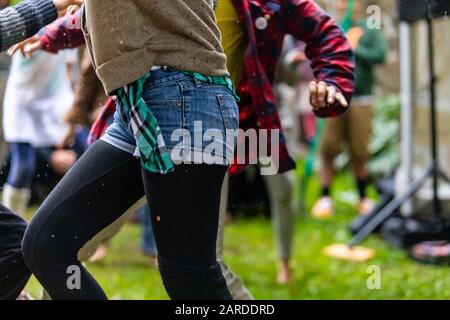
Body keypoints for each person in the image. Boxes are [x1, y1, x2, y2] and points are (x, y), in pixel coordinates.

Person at [12, 0, 354, 299]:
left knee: (189, 274)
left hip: (192, 104)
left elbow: (324, 31)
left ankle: (280, 262)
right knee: (46, 243)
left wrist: (333, 81)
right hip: (138, 106)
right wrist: (47, 34)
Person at [312, 0, 387, 219]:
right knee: (328, 149)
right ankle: (324, 198)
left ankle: (363, 198)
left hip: (361, 99)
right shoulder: (331, 26)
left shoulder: (369, 27)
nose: (343, 5)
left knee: (359, 151)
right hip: (333, 97)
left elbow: (380, 55)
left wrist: (356, 48)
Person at [2, 48, 76, 216]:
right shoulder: (31, 26)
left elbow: (69, 66)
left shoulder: (67, 24)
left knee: (80, 155)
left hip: (56, 98)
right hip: (23, 99)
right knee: (23, 167)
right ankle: (12, 225)